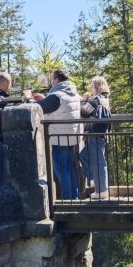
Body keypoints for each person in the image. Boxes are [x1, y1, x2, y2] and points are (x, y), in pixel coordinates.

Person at [34, 69, 82, 200]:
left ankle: (68, 199)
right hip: (71, 138)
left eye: (52, 79)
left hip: (59, 138)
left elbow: (39, 107)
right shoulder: (74, 93)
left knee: (61, 169)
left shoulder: (57, 95)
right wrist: (45, 99)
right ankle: (74, 197)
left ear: (56, 80)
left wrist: (29, 99)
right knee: (71, 167)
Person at [79, 76, 111, 200]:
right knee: (84, 156)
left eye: (92, 86)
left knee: (99, 162)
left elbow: (83, 112)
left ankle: (102, 190)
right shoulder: (105, 99)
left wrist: (84, 100)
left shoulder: (96, 100)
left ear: (96, 87)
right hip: (102, 134)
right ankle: (94, 180)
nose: (91, 88)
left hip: (95, 134)